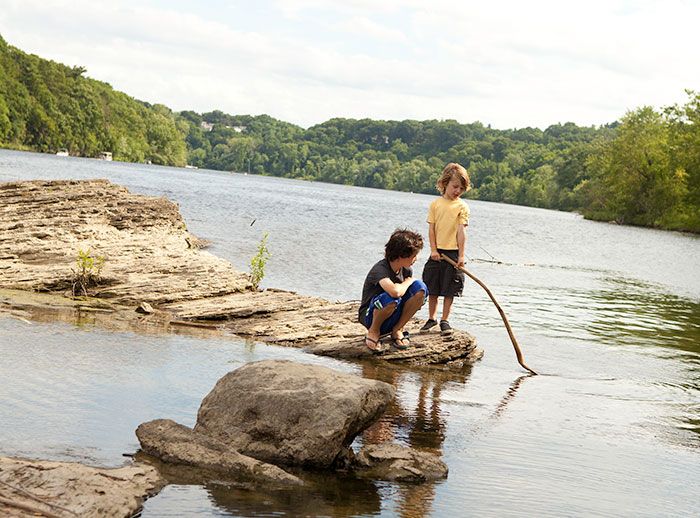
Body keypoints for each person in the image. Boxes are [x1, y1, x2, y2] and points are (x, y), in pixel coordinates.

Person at [421, 162, 471, 335]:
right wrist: (433, 250)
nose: (457, 191)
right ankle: (431, 318)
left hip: (453, 253)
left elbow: (461, 231)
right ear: (445, 183)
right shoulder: (435, 204)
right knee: (433, 286)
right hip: (437, 252)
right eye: (455, 186)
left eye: (461, 189)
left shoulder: (462, 207)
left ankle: (445, 319)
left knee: (450, 288)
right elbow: (432, 230)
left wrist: (461, 256)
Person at [359, 229, 428, 353]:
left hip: (393, 313)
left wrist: (410, 282)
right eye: (413, 256)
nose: (416, 259)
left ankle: (397, 329)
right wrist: (408, 282)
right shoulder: (380, 269)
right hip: (371, 316)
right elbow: (395, 292)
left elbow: (406, 294)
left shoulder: (406, 270)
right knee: (390, 298)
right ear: (401, 255)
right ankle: (374, 331)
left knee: (420, 288)